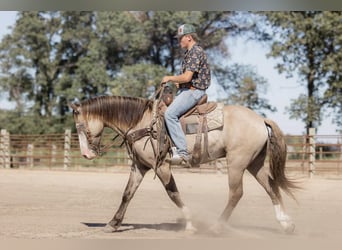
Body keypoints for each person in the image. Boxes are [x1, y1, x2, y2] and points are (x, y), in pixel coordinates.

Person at [161, 23, 211, 166]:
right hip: (187, 89)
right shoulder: (190, 53)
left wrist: (170, 78)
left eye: (180, 38)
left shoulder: (195, 52)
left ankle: (183, 152)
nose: (179, 41)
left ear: (189, 37)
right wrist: (180, 83)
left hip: (194, 91)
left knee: (170, 114)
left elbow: (187, 77)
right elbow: (186, 78)